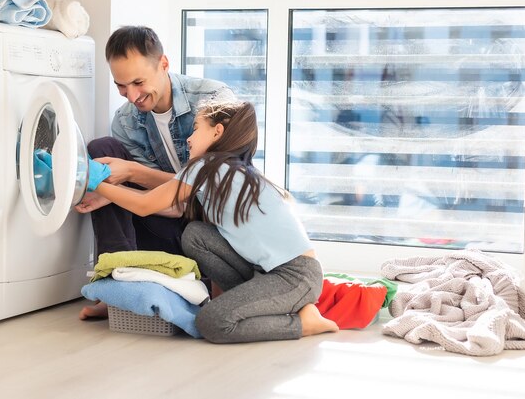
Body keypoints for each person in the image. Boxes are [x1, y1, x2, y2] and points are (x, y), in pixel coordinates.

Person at [81, 100, 338, 343]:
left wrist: (94, 183)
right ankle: (240, 302)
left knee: (212, 324)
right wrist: (114, 191)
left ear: (217, 132)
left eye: (196, 129)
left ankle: (304, 323)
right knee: (196, 234)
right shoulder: (228, 170)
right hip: (276, 273)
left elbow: (146, 205)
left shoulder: (206, 167)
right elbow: (168, 189)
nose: (189, 139)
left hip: (294, 276)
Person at [75, 26, 234, 319]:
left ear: (163, 64)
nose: (132, 96)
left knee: (119, 180)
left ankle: (186, 286)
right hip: (164, 223)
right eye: (121, 86)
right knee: (102, 148)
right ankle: (117, 286)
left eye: (138, 82)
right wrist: (113, 190)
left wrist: (132, 174)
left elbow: (213, 189)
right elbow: (161, 205)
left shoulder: (213, 100)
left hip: (209, 233)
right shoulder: (125, 121)